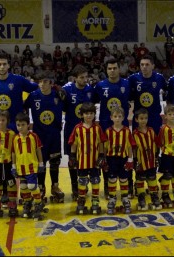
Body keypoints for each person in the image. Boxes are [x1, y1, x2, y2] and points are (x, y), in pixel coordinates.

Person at [129, 54, 166, 199]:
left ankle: (152, 181)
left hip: (155, 120)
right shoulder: (133, 79)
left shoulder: (160, 78)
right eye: (142, 64)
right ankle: (137, 183)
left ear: (152, 66)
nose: (144, 67)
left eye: (147, 64)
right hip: (139, 121)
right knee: (137, 151)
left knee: (154, 152)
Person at [93, 58, 131, 199]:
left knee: (125, 156)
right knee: (107, 159)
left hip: (123, 125)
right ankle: (108, 188)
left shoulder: (127, 84)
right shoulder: (100, 86)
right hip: (106, 126)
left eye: (115, 68)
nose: (112, 71)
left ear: (119, 69)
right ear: (106, 70)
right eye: (110, 68)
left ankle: (129, 187)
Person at [24, 74, 65, 203]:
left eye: (45, 81)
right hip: (39, 135)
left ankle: (55, 186)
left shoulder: (58, 95)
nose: (42, 84)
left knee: (54, 162)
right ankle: (41, 187)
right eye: (40, 81)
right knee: (41, 164)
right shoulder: (33, 95)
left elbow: (69, 105)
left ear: (51, 82)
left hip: (54, 134)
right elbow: (23, 108)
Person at [0, 53, 38, 132]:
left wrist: (26, 103)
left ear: (8, 65)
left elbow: (36, 87)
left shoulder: (18, 79)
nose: (2, 67)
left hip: (16, 125)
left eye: (4, 64)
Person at [62, 65, 94, 201]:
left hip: (87, 131)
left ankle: (84, 184)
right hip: (71, 130)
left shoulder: (90, 90)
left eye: (86, 77)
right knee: (73, 159)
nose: (85, 80)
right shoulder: (67, 90)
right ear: (75, 78)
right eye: (82, 77)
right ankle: (75, 187)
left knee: (87, 157)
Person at [68, 102, 107, 214]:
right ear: (81, 115)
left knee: (95, 180)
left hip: (94, 161)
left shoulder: (97, 128)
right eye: (86, 113)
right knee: (82, 181)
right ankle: (81, 201)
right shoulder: (77, 128)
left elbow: (101, 143)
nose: (89, 116)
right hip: (82, 162)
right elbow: (74, 143)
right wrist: (72, 156)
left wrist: (101, 155)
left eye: (91, 113)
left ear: (94, 115)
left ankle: (95, 201)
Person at [11, 112, 46, 220]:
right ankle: (27, 204)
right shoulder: (15, 138)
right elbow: (13, 153)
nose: (20, 127)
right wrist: (13, 166)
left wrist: (41, 163)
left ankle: (38, 204)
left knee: (32, 186)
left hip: (32, 166)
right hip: (20, 167)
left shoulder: (33, 136)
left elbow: (38, 149)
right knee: (23, 187)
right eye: (18, 125)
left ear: (28, 125)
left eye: (23, 125)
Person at [104, 107, 135, 214]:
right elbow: (105, 147)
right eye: (115, 116)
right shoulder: (108, 131)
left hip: (123, 159)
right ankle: (112, 198)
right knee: (112, 179)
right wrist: (103, 159)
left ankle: (124, 197)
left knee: (123, 178)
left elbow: (130, 146)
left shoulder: (126, 131)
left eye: (120, 116)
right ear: (111, 117)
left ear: (124, 118)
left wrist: (130, 159)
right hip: (111, 159)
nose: (117, 119)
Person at [0, 110, 18, 218]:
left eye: (3, 120)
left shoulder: (12, 134)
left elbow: (14, 149)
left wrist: (15, 163)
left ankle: (12, 204)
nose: (1, 122)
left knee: (10, 182)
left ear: (7, 121)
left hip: (9, 162)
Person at [132, 108, 162, 211]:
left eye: (145, 118)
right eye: (141, 118)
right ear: (136, 120)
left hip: (151, 161)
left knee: (152, 178)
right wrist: (134, 160)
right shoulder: (135, 134)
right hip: (141, 162)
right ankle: (141, 197)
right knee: (140, 179)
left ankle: (154, 195)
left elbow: (157, 143)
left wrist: (157, 156)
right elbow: (134, 148)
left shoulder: (151, 131)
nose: (143, 120)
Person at [158, 104, 174, 207]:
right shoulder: (164, 128)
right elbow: (160, 142)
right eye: (170, 114)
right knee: (167, 175)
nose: (172, 116)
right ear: (165, 116)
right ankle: (165, 194)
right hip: (167, 155)